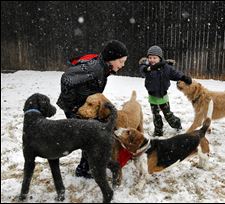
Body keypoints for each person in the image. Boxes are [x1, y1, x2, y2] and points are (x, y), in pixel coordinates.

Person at [56, 40, 128, 178]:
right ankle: (84, 170)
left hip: (85, 107)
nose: (122, 65)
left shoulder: (103, 67)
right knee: (89, 137)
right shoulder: (95, 68)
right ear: (111, 59)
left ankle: (85, 168)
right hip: (76, 108)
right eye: (121, 61)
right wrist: (73, 106)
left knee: (91, 136)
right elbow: (66, 78)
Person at [139, 45, 192, 136]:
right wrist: (149, 68)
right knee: (156, 116)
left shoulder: (166, 68)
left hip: (163, 96)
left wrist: (183, 77)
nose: (152, 60)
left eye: (154, 58)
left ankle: (177, 125)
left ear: (160, 58)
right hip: (152, 97)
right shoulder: (147, 67)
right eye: (150, 57)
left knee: (168, 115)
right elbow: (143, 69)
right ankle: (158, 132)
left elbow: (174, 74)